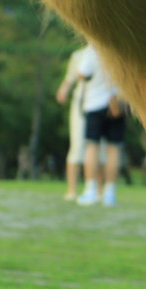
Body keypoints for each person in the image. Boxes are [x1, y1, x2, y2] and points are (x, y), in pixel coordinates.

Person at [55, 44, 127, 206]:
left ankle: (90, 190)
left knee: (92, 147)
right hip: (117, 106)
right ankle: (109, 193)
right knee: (113, 149)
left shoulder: (92, 51)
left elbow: (82, 73)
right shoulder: (121, 50)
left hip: (95, 105)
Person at [55, 46, 90, 201]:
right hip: (81, 104)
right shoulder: (79, 55)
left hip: (101, 106)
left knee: (99, 149)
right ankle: (72, 190)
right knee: (77, 145)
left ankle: (97, 190)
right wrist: (63, 91)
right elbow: (70, 78)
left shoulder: (108, 53)